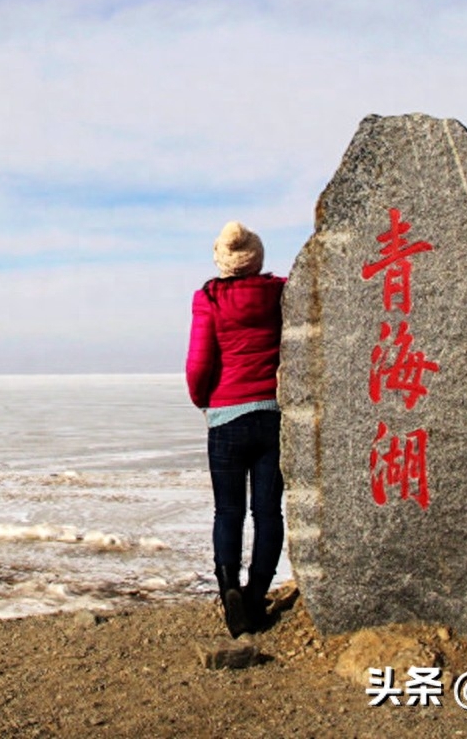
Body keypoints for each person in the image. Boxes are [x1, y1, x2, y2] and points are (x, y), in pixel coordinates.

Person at [185, 220, 286, 637]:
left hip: (226, 417)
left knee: (228, 510)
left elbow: (199, 363)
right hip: (273, 415)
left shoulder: (208, 297)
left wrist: (202, 399)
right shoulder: (279, 290)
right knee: (267, 511)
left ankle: (229, 589)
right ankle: (256, 592)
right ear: (256, 258)